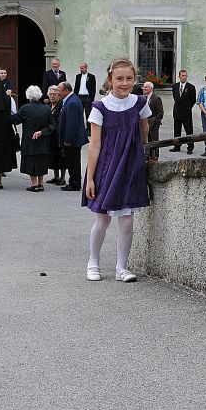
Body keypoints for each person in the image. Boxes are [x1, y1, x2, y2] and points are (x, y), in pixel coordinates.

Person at [83, 58, 151, 284]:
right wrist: (90, 178)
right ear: (110, 79)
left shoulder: (140, 103)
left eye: (129, 78)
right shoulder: (100, 107)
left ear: (135, 79)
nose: (124, 83)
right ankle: (93, 262)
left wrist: (142, 158)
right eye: (119, 78)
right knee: (102, 220)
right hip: (106, 167)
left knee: (127, 221)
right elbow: (94, 145)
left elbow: (144, 132)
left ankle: (122, 266)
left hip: (130, 166)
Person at [12, 85, 55, 192]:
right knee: (41, 161)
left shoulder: (25, 108)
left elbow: (15, 120)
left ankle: (34, 184)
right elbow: (52, 125)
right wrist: (42, 132)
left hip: (29, 141)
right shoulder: (46, 109)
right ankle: (41, 183)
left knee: (31, 162)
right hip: (43, 141)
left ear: (28, 96)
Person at [56, 80, 88, 191]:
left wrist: (67, 140)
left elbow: (71, 124)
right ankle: (74, 181)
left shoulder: (72, 102)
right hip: (73, 139)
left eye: (59, 90)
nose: (57, 92)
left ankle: (75, 183)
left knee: (73, 162)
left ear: (66, 90)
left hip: (73, 140)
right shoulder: (69, 100)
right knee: (72, 161)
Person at [169, 69, 196, 155]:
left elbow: (193, 100)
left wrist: (187, 108)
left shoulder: (191, 87)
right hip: (177, 111)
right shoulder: (175, 86)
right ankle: (177, 146)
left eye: (185, 76)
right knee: (177, 130)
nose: (184, 77)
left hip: (186, 112)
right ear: (179, 77)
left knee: (189, 130)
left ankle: (190, 147)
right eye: (182, 76)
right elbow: (175, 98)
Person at [45, 85, 66, 186]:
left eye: (54, 94)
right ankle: (56, 176)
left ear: (59, 96)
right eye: (50, 94)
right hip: (51, 136)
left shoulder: (61, 106)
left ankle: (62, 178)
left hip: (59, 135)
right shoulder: (48, 106)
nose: (52, 96)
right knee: (53, 156)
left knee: (61, 156)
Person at [142, 81, 164, 162]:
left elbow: (160, 112)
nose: (144, 88)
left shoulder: (156, 98)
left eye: (146, 87)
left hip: (154, 124)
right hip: (144, 123)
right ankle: (147, 156)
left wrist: (156, 122)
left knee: (154, 140)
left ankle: (155, 157)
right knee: (146, 140)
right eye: (144, 87)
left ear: (151, 88)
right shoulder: (142, 97)